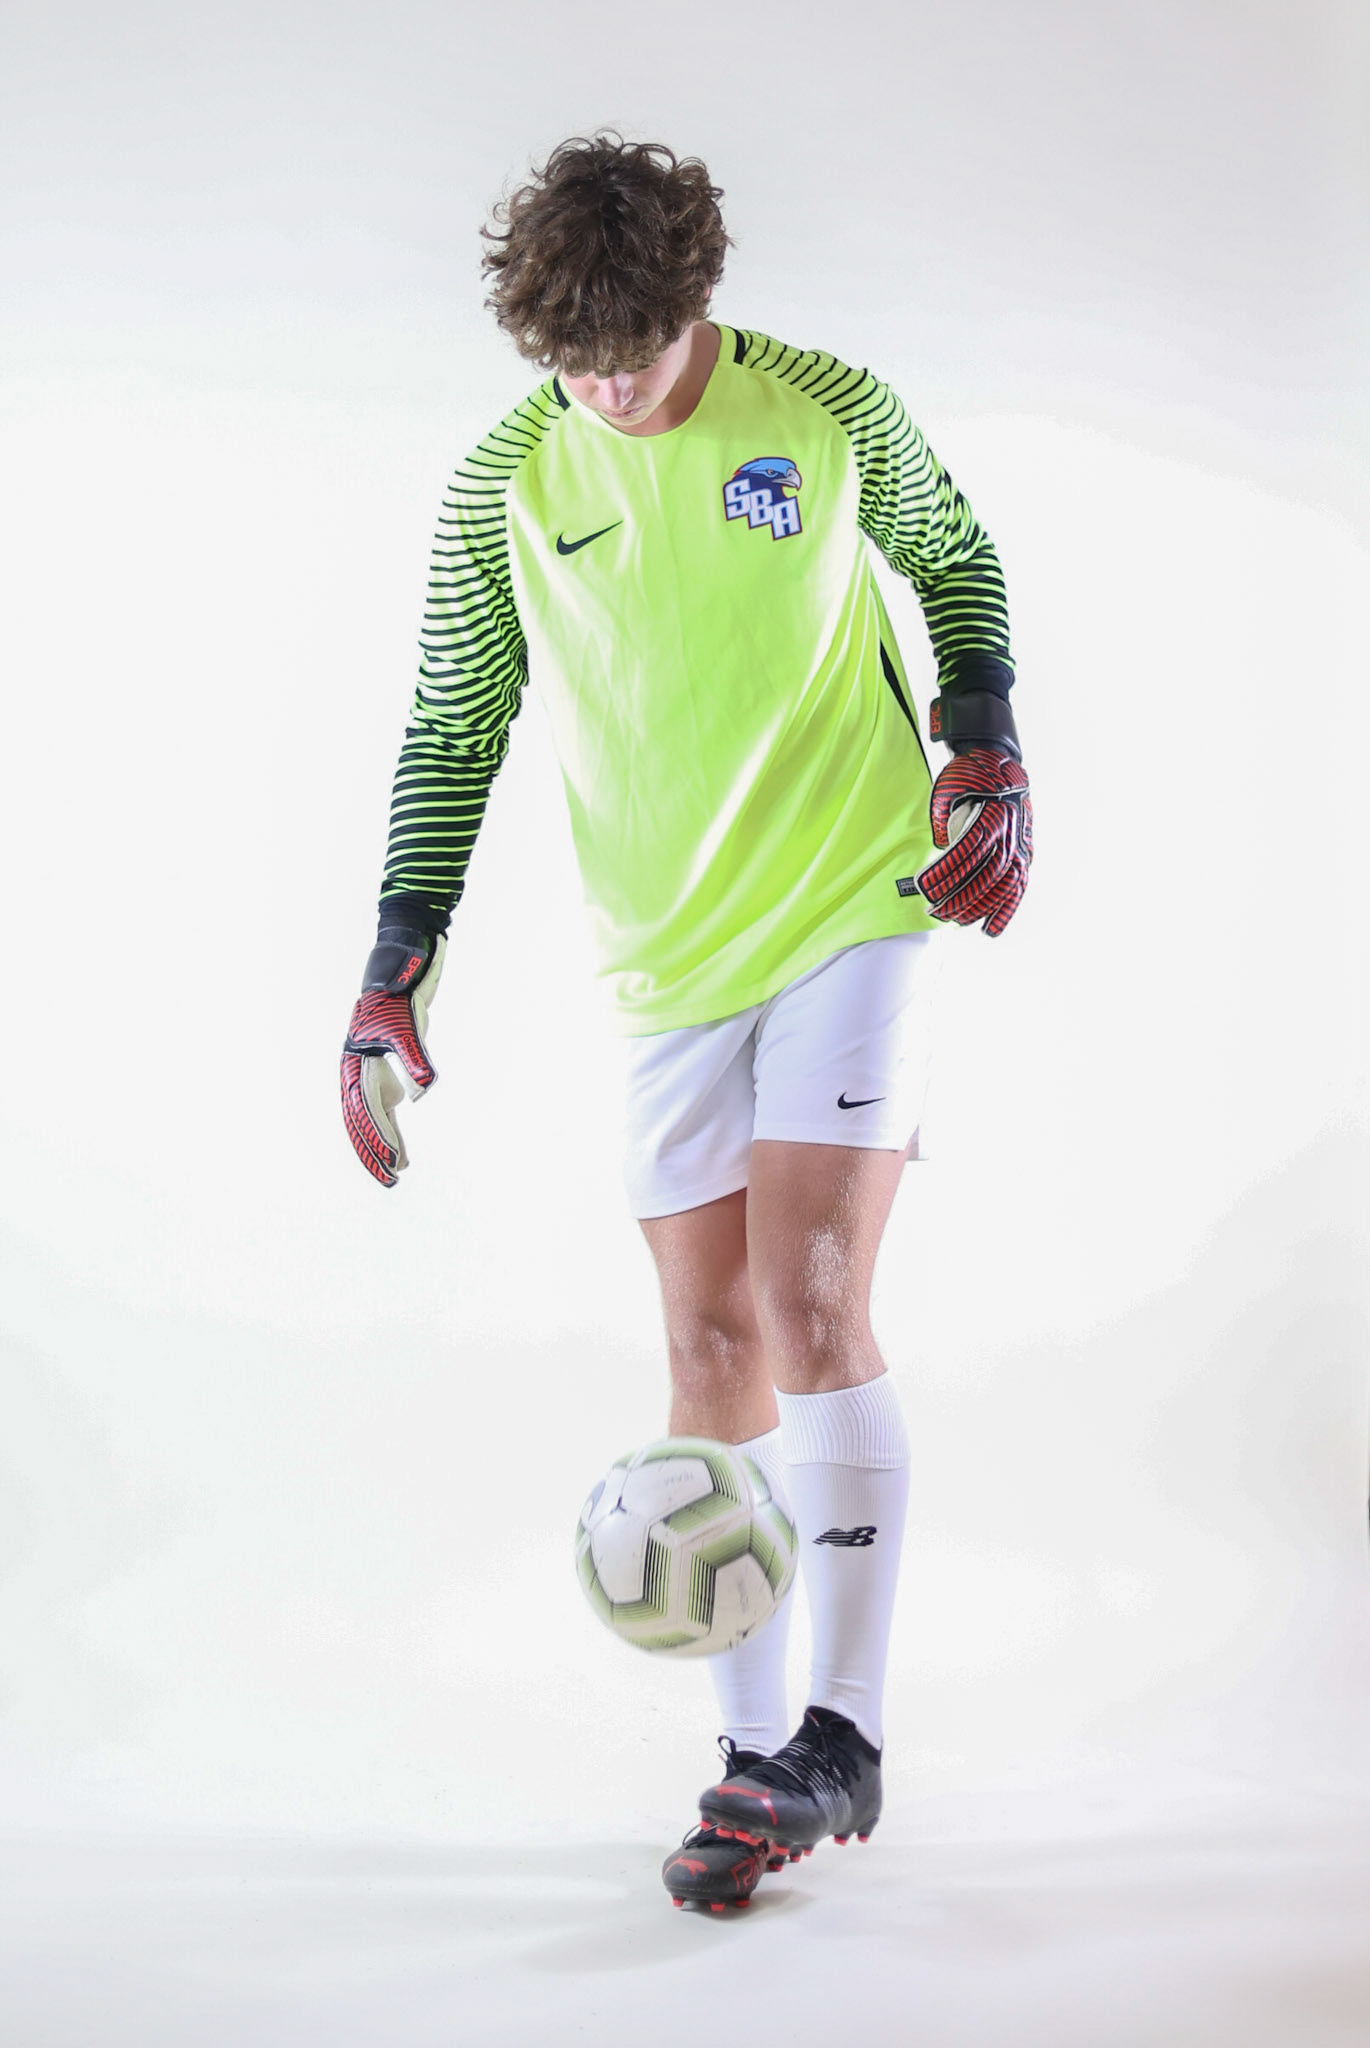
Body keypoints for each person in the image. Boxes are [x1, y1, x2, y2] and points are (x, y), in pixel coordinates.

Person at [340, 133, 1032, 1912]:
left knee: (809, 1301)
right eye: (570, 362)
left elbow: (957, 564)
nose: (602, 389)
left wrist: (985, 732)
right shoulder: (506, 476)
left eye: (628, 356)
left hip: (852, 900)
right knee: (707, 1347)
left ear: (692, 307)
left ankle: (844, 1739)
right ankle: (748, 1765)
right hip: (659, 956)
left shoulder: (822, 411)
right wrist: (391, 963)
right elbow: (449, 730)